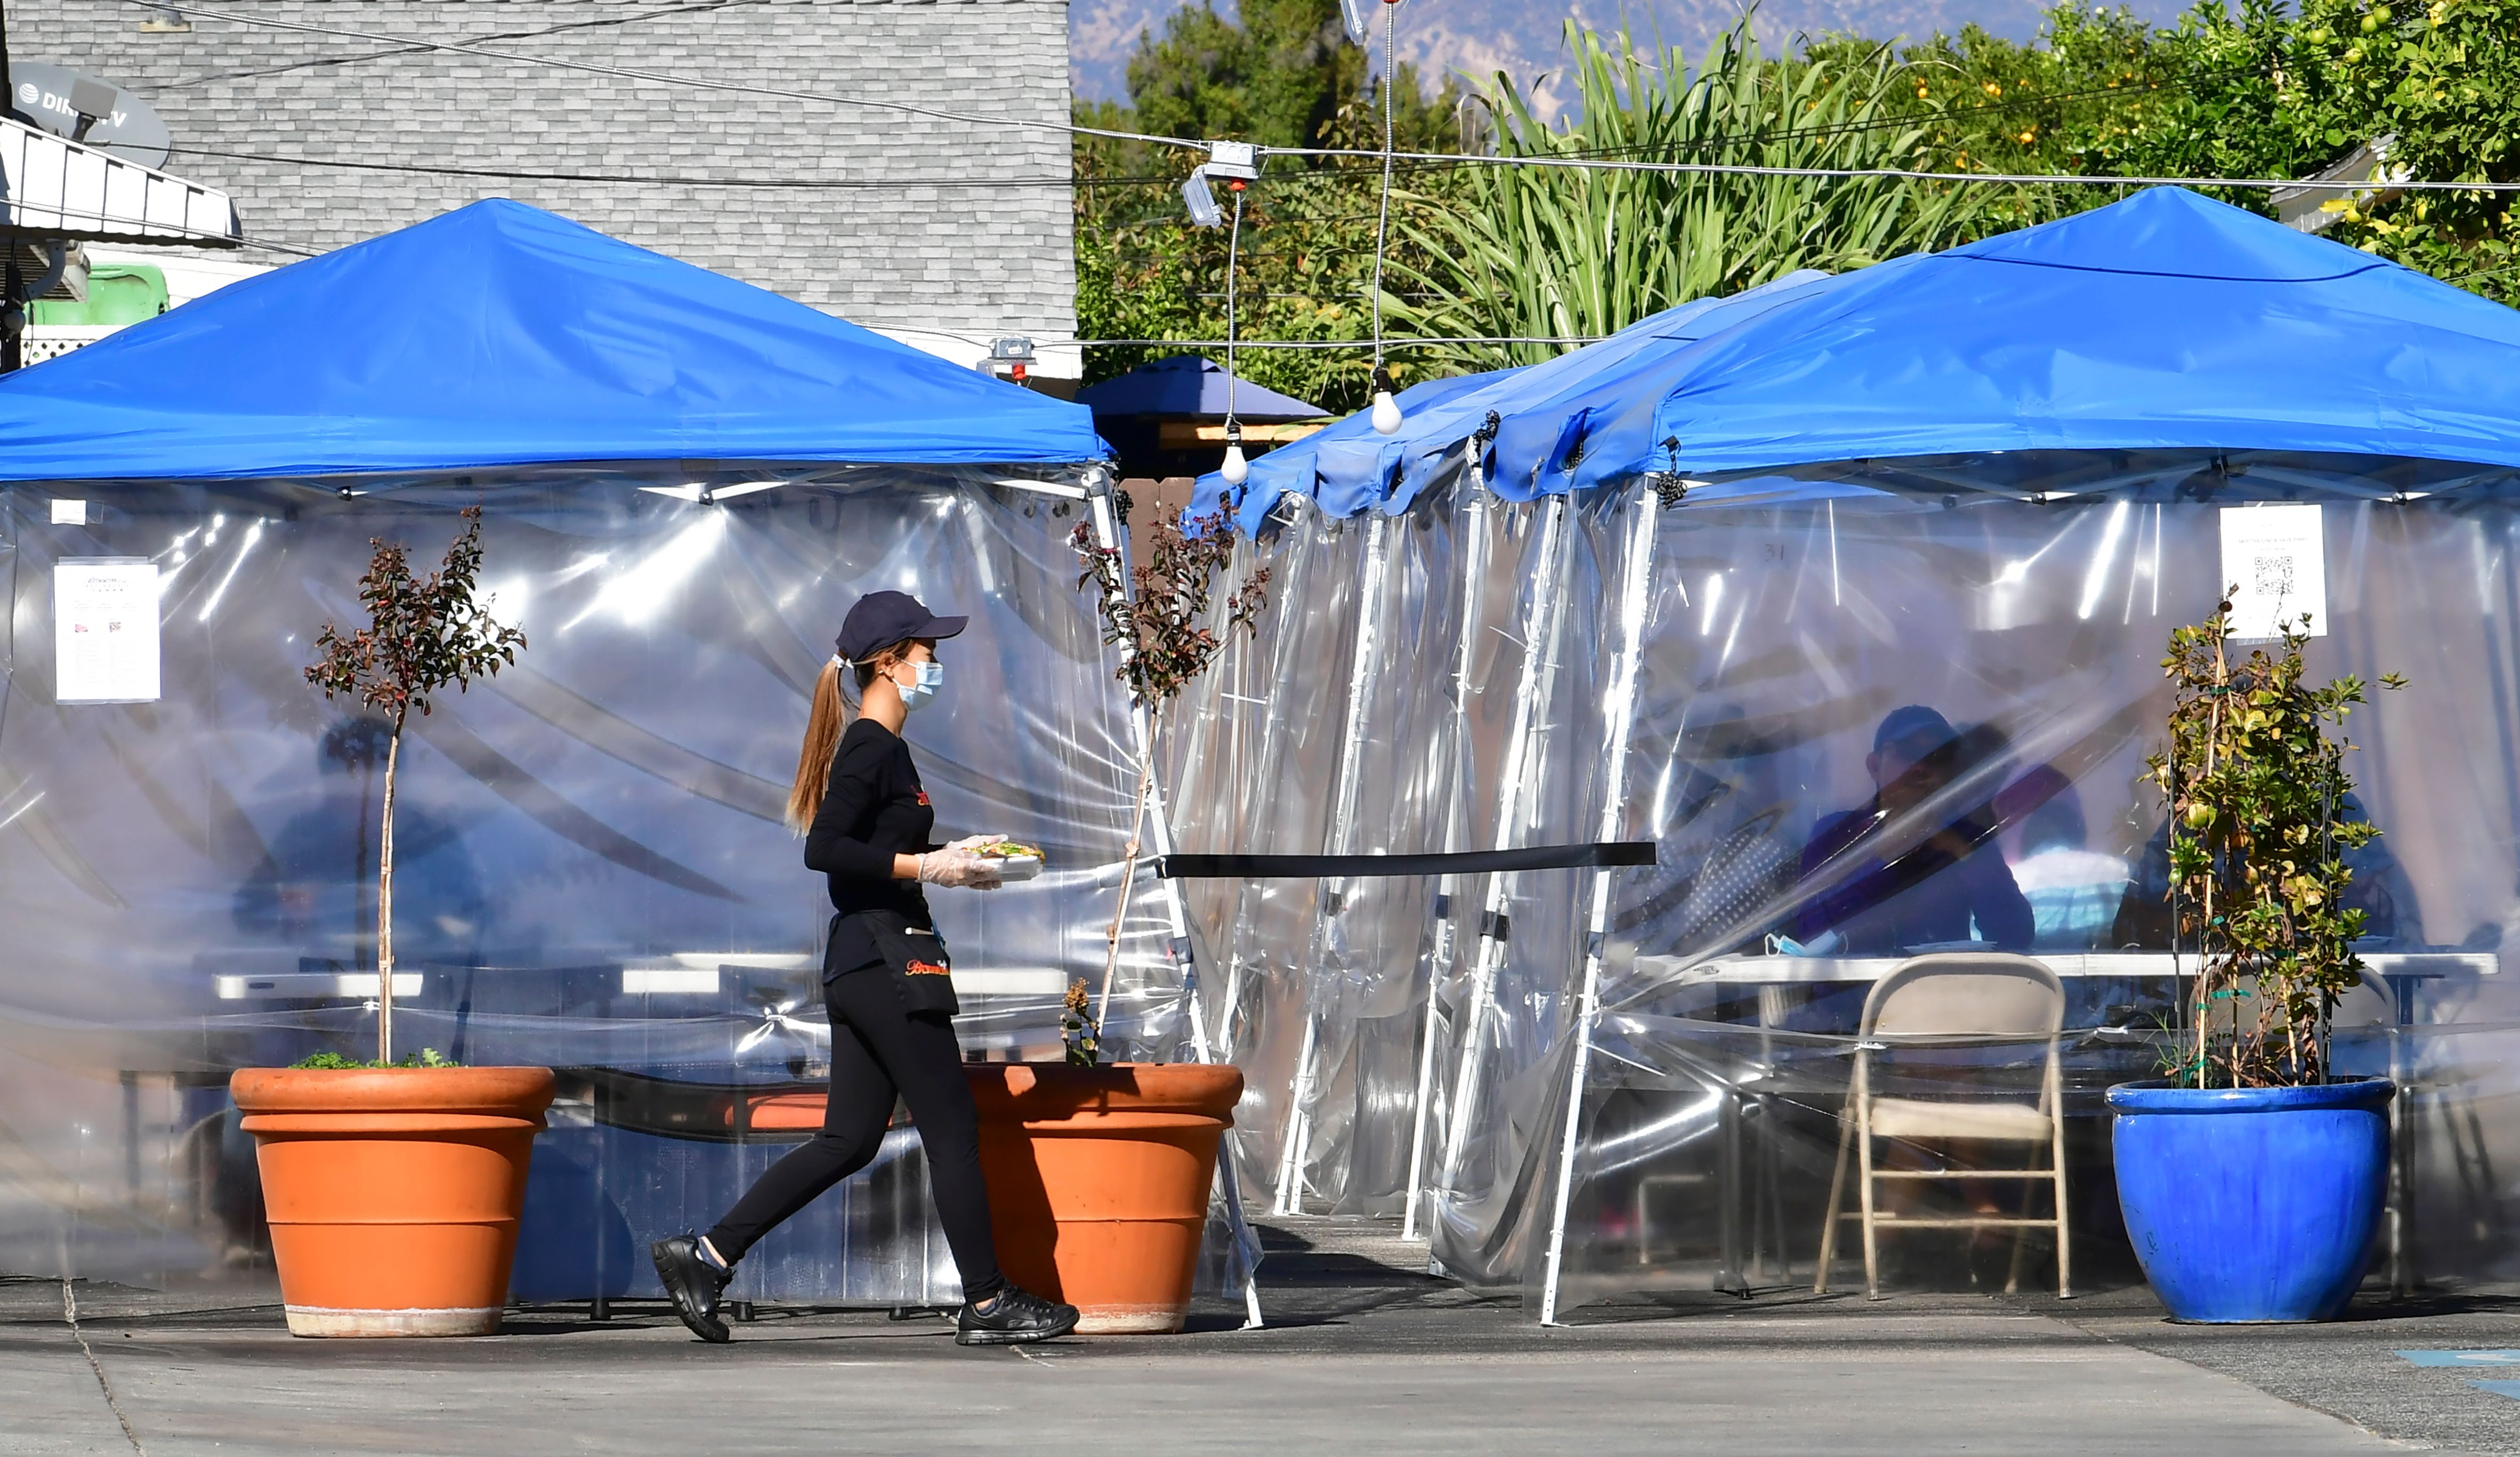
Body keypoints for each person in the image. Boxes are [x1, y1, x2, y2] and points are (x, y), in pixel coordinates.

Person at [651, 590, 1079, 1346]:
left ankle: (708, 1255)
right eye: (928, 651)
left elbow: (872, 859)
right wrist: (927, 865)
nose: (936, 663)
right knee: (953, 1127)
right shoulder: (872, 745)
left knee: (848, 1140)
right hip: (887, 962)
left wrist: (957, 864)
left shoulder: (888, 748)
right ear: (890, 662)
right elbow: (827, 850)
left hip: (869, 958)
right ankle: (985, 1302)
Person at [1791, 706, 2033, 954]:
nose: (1922, 766)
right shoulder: (1837, 834)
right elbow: (1811, 932)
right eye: (1909, 752)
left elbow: (2017, 936)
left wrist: (1970, 859)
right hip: (1851, 991)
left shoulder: (1965, 837)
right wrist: (1883, 860)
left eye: (1939, 757)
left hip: (1942, 988)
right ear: (1875, 766)